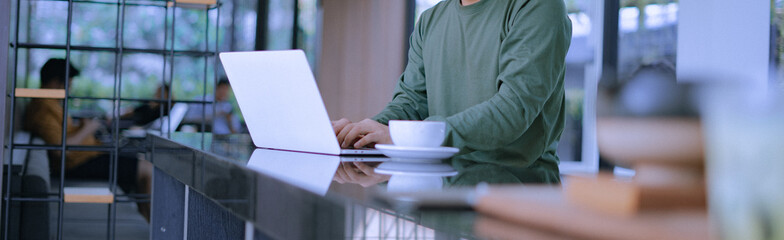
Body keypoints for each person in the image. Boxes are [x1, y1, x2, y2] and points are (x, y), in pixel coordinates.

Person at [333, 0, 572, 185]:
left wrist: (409, 137)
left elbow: (513, 109)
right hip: (442, 189)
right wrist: (362, 135)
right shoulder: (430, 21)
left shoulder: (537, 6)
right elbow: (411, 103)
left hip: (517, 195)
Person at [24, 58, 152, 221]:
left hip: (87, 156)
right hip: (78, 163)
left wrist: (81, 126)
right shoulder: (43, 108)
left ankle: (144, 220)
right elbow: (60, 150)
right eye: (68, 84)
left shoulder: (49, 104)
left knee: (139, 163)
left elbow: (61, 135)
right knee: (146, 168)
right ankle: (150, 223)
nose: (69, 89)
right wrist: (87, 129)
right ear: (57, 82)